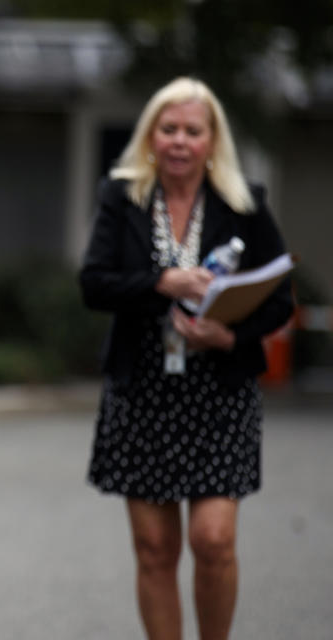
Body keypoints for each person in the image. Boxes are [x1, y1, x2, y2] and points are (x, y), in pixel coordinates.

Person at [79, 76, 294, 640]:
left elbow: (279, 297)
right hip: (142, 388)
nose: (179, 140)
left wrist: (233, 337)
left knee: (213, 540)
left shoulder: (243, 202)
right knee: (154, 549)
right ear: (151, 135)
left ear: (211, 140)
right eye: (168, 128)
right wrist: (164, 282)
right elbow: (94, 284)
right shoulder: (121, 195)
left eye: (192, 131)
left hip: (218, 390)